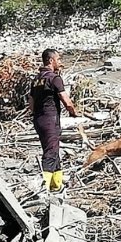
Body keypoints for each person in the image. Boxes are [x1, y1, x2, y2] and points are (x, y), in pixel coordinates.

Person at [28, 48, 79, 193]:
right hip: (51, 120)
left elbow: (30, 104)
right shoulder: (54, 78)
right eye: (58, 59)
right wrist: (74, 113)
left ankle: (56, 185)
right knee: (51, 153)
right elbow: (66, 101)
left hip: (39, 120)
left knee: (52, 149)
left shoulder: (37, 79)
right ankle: (43, 187)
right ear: (51, 61)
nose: (60, 62)